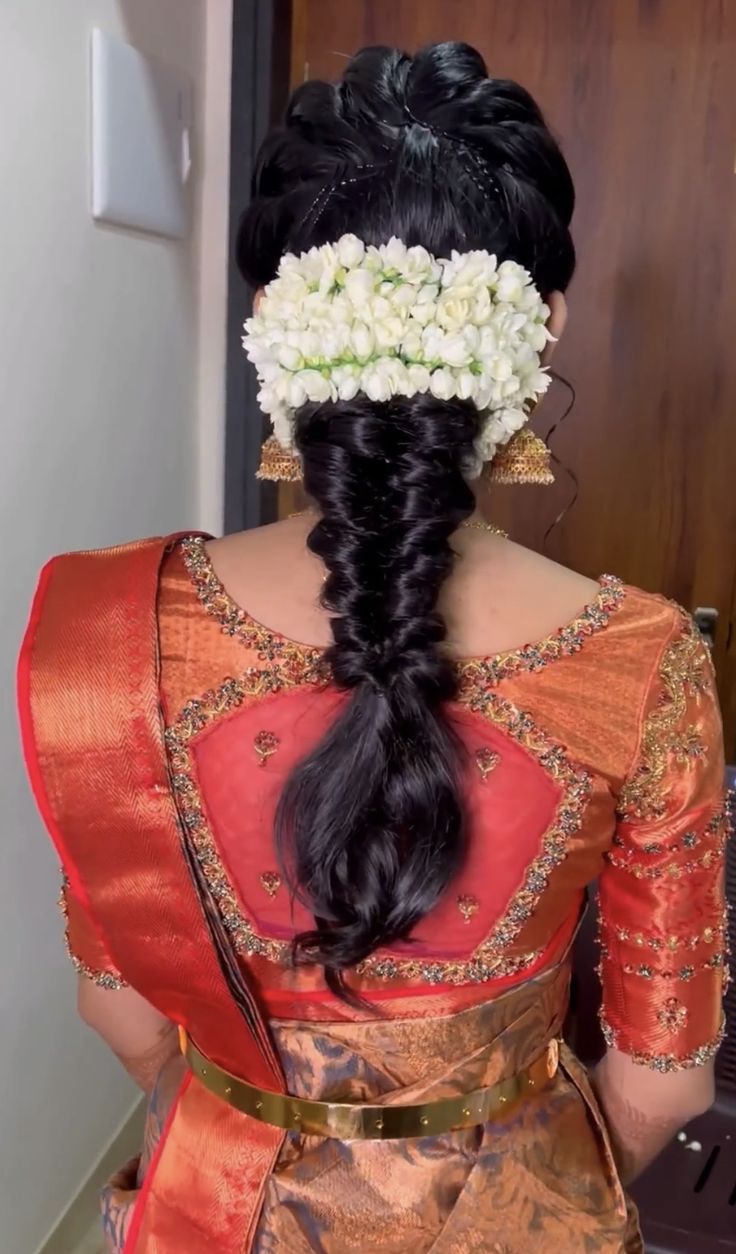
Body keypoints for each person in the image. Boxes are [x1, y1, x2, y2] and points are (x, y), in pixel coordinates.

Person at [18, 41, 727, 1254]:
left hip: (222, 1204)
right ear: (540, 325)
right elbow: (662, 1086)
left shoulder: (102, 628)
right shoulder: (645, 660)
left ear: (269, 324)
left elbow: (118, 1002)